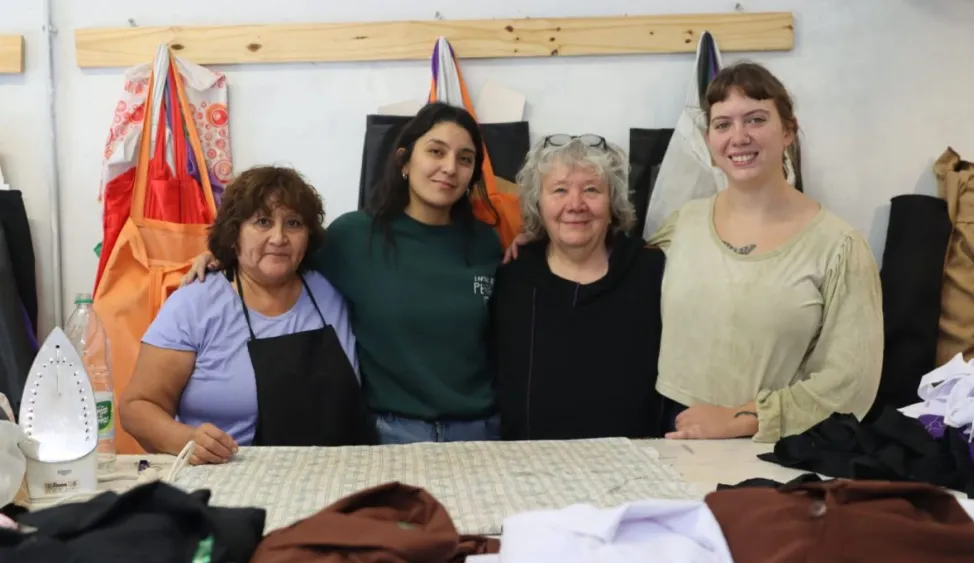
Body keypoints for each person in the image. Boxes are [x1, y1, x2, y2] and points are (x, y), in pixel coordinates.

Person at [183, 102, 504, 444]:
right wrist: (222, 254)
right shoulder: (354, 236)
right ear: (404, 161)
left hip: (481, 432)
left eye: (465, 159)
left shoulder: (486, 242)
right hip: (391, 434)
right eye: (436, 152)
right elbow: (282, 255)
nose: (450, 168)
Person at [647, 61, 883, 442]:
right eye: (723, 124)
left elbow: (851, 383)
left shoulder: (839, 247)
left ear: (788, 130)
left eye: (755, 120)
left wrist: (742, 419)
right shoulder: (683, 225)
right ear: (709, 140)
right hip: (671, 434)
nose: (739, 137)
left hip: (774, 445)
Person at [120, 166, 374, 464]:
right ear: (234, 233)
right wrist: (184, 440)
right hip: (228, 475)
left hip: (335, 474)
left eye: (293, 223)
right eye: (262, 222)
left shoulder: (332, 288)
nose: (279, 237)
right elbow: (137, 407)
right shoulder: (195, 303)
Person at [492, 134, 665, 440]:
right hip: (528, 461)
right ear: (538, 203)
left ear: (612, 203)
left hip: (635, 459)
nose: (575, 204)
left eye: (591, 190)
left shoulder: (651, 273)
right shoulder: (512, 277)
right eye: (560, 190)